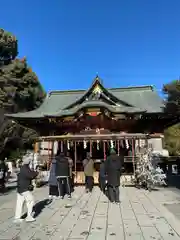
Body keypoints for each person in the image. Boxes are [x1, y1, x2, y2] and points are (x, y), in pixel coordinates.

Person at [14, 154, 38, 223]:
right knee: (30, 201)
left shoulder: (22, 167)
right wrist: (36, 173)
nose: (30, 161)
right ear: (27, 161)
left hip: (20, 188)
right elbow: (31, 175)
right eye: (29, 160)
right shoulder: (25, 168)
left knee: (20, 203)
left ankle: (17, 217)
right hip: (24, 188)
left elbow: (29, 173)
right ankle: (29, 217)